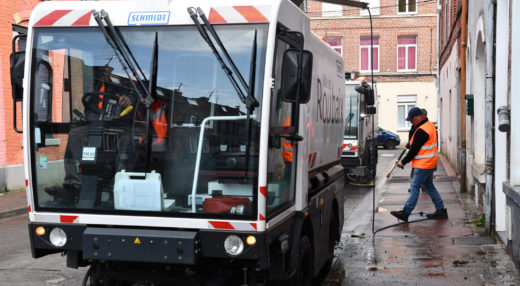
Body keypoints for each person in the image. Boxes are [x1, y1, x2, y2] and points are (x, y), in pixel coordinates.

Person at [390, 107, 448, 222]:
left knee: (414, 187)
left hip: (423, 165)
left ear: (419, 117)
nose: (411, 122)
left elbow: (414, 150)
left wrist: (403, 162)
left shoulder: (422, 130)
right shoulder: (430, 125)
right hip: (430, 163)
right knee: (429, 186)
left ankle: (406, 212)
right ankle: (441, 210)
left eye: (412, 120)